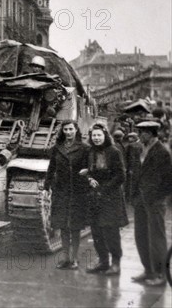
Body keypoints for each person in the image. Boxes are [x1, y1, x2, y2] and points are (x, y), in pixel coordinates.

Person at [129, 121, 172, 286]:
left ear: (151, 133)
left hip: (155, 201)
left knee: (156, 238)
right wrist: (134, 195)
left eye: (143, 133)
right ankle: (148, 270)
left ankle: (161, 275)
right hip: (140, 199)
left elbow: (168, 180)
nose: (140, 136)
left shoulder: (162, 152)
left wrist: (158, 197)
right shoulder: (141, 149)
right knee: (141, 236)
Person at [45, 120, 90, 270]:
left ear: (76, 130)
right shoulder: (57, 148)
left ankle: (75, 259)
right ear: (62, 131)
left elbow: (91, 166)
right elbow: (51, 168)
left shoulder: (84, 148)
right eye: (66, 130)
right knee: (63, 226)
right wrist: (47, 186)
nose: (69, 132)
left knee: (75, 227)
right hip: (61, 191)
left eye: (71, 129)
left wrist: (87, 172)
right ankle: (65, 258)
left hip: (77, 191)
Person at [85, 123, 128, 275]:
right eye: (94, 135)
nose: (96, 138)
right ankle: (103, 262)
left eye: (99, 135)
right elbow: (89, 171)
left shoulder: (114, 151)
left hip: (110, 197)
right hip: (95, 197)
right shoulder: (90, 151)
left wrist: (104, 189)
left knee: (111, 231)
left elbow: (121, 175)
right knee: (96, 231)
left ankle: (116, 264)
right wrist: (89, 178)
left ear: (105, 136)